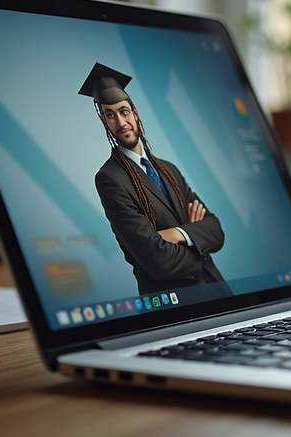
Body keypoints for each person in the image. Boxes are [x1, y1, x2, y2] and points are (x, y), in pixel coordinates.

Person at [79, 62, 227, 296]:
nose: (120, 122)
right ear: (103, 121)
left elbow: (216, 231)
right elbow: (157, 261)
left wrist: (175, 234)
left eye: (124, 111)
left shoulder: (169, 170)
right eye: (110, 115)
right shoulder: (111, 180)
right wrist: (196, 238)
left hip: (218, 292)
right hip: (174, 303)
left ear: (135, 112)